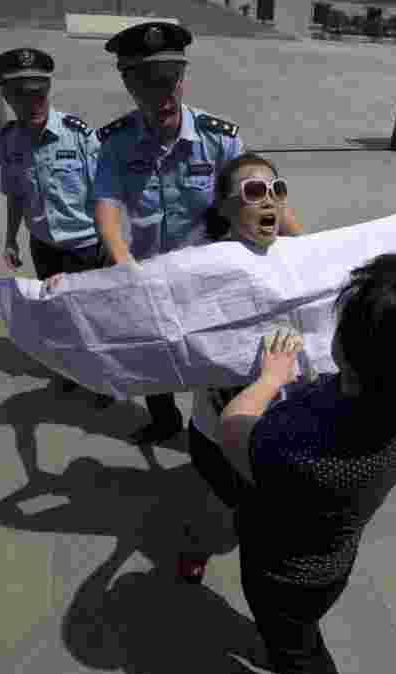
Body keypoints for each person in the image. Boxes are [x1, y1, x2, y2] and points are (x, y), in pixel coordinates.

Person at [204, 254, 396, 674]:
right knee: (298, 631)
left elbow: (233, 430)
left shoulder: (298, 450)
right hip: (330, 562)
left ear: (348, 353)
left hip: (285, 573)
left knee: (297, 648)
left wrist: (270, 379)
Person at [91, 21, 302, 445]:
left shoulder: (218, 139)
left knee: (223, 356)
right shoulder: (115, 143)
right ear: (130, 85)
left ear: (183, 78)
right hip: (150, 270)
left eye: (172, 80)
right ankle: (165, 418)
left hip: (213, 275)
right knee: (152, 355)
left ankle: (227, 427)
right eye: (150, 83)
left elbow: (260, 194)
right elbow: (108, 205)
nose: (165, 94)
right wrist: (122, 262)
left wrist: (308, 244)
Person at [176, 152, 304, 583]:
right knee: (218, 508)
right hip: (218, 432)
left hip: (277, 423)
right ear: (227, 207)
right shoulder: (201, 266)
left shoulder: (298, 259)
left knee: (261, 505)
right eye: (254, 191)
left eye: (277, 190)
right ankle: (196, 546)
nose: (269, 200)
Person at [0, 48, 111, 405]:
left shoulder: (79, 135)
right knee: (58, 315)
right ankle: (72, 372)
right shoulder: (10, 140)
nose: (34, 101)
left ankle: (103, 380)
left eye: (40, 92)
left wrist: (110, 241)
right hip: (43, 243)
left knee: (94, 319)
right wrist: (11, 238)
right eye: (23, 94)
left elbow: (105, 194)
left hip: (86, 246)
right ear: (8, 97)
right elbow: (14, 193)